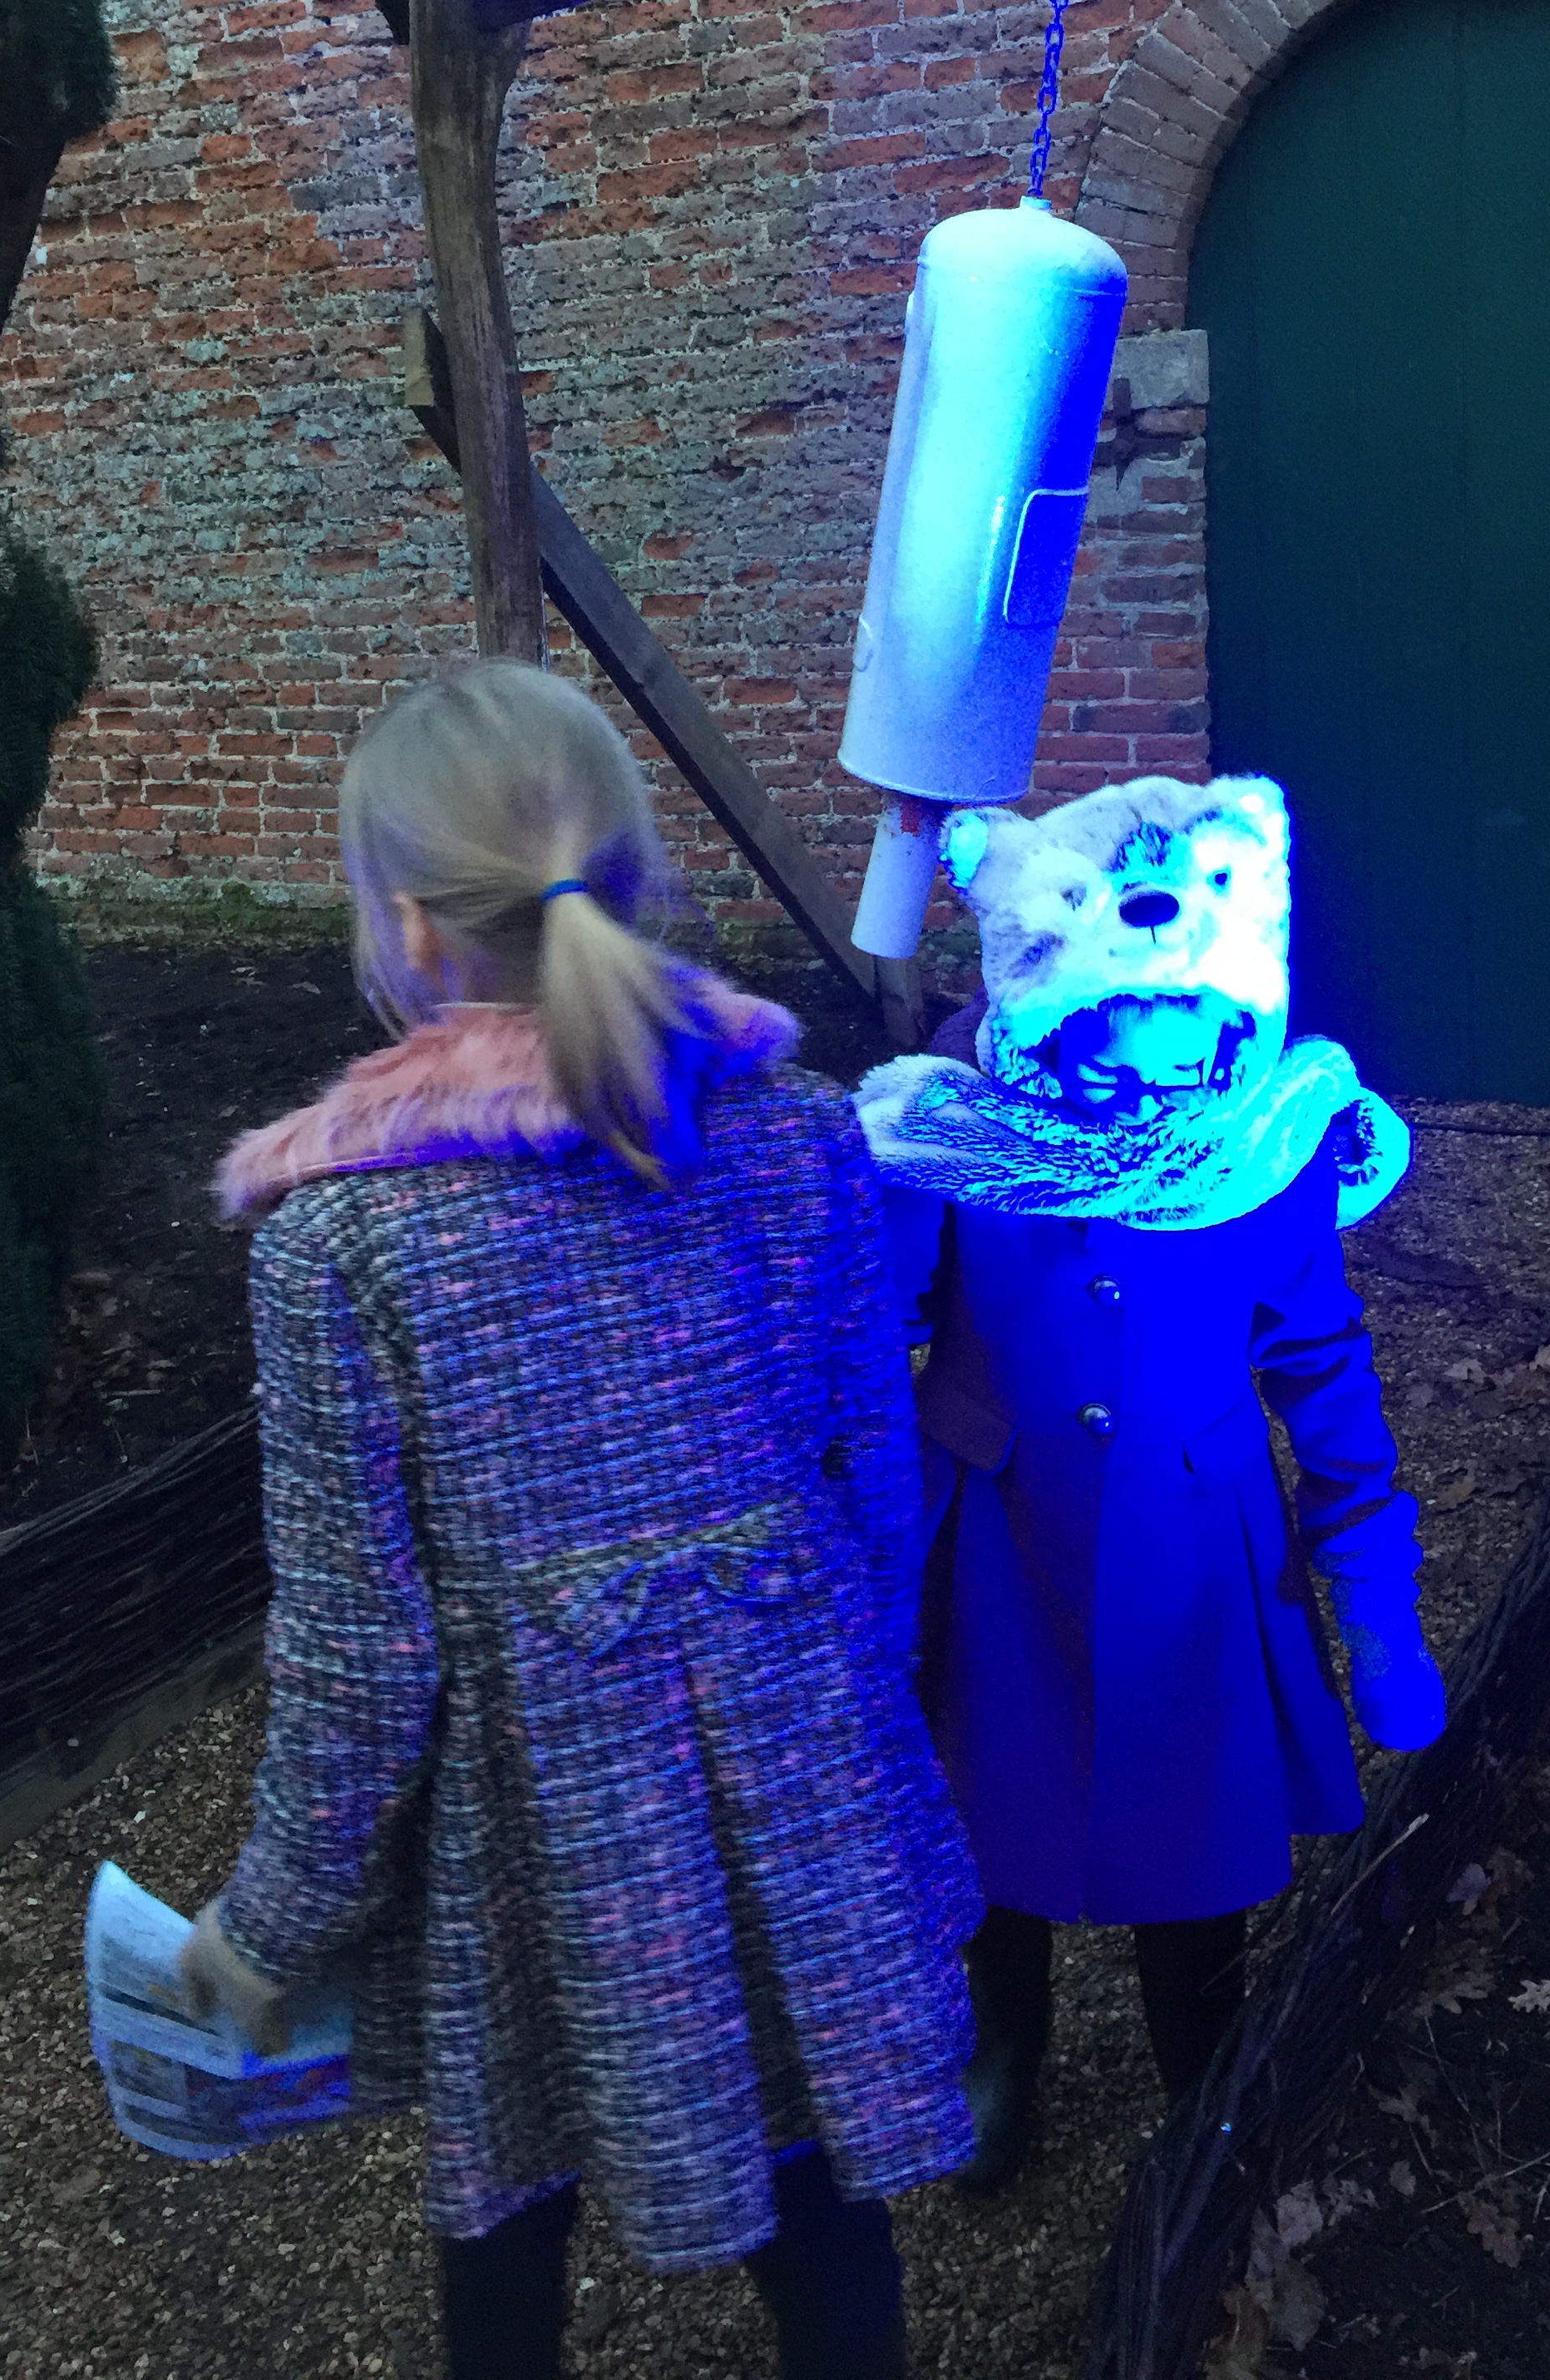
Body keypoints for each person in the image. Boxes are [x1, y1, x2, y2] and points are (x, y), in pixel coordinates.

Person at [175, 661, 979, 2379]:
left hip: (536, 1840)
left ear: (407, 924)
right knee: (828, 2187)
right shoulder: (806, 1141)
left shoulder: (345, 1245)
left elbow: (361, 1668)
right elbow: (876, 1486)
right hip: (805, 1773)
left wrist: (267, 1925)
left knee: (507, 2209)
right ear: (629, 870)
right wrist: (832, 1724)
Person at [855, 770, 1447, 2194]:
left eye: (1188, 1042)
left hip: (1195, 1534)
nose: (1155, 1084)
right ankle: (1006, 2039)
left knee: (1194, 1808)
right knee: (994, 1792)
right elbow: (873, 1328)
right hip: (1000, 1532)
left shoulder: (1268, 1144)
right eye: (1119, 1046)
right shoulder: (957, 1136)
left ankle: (1204, 2054)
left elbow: (1317, 1352)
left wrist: (1370, 1578)